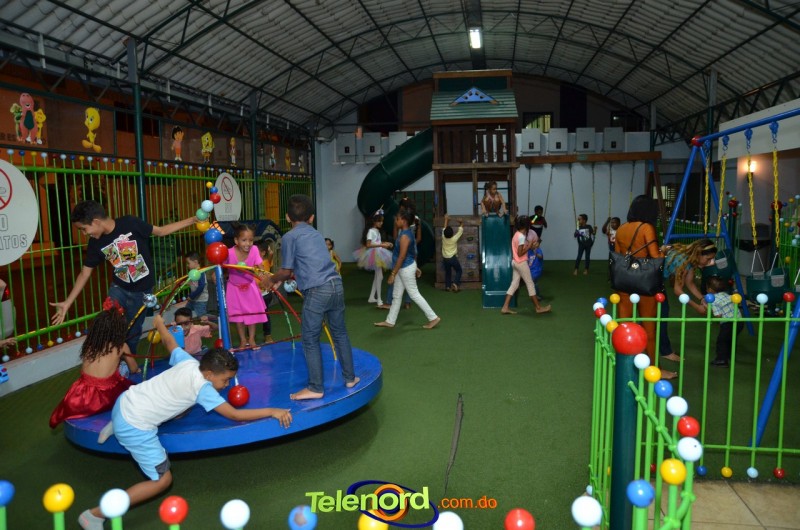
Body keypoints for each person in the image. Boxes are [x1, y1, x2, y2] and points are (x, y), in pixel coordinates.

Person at [77, 314, 291, 530]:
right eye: (225, 379)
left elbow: (170, 342)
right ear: (209, 374)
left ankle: (117, 423)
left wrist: (159, 324)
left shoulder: (190, 362)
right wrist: (272, 411)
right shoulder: (203, 388)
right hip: (135, 425)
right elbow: (234, 415)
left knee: (181, 407)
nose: (227, 384)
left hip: (125, 402)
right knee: (162, 481)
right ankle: (94, 515)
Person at [51, 200, 199, 356]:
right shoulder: (95, 243)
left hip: (142, 292)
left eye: (84, 229)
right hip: (118, 290)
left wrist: (192, 220)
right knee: (109, 327)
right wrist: (68, 302)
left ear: (96, 221)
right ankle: (111, 361)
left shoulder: (130, 223)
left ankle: (129, 363)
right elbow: (85, 273)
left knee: (133, 333)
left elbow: (161, 231)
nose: (84, 233)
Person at [262, 194, 359, 401]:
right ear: (312, 217)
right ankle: (350, 377)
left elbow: (286, 270)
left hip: (317, 291)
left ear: (287, 217)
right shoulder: (316, 234)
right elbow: (308, 264)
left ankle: (316, 387)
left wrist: (271, 279)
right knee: (339, 332)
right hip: (336, 285)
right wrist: (283, 279)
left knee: (310, 339)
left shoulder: (290, 237)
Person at [49, 298, 137, 429]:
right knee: (131, 388)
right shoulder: (121, 346)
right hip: (105, 397)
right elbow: (134, 368)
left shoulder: (90, 344)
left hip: (81, 396)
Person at [375, 208, 441, 329]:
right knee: (397, 295)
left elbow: (402, 256)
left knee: (414, 294)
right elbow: (411, 253)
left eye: (398, 219)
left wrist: (393, 273)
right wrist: (415, 267)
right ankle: (390, 321)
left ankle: (433, 317)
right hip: (404, 268)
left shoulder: (405, 236)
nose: (396, 221)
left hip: (404, 268)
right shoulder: (404, 233)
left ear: (404, 221)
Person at [225, 224, 267, 349]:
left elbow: (260, 267)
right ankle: (243, 340)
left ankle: (252, 339)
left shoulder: (254, 250)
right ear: (236, 240)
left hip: (249, 287)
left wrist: (263, 276)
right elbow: (220, 266)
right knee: (238, 316)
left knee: (252, 314)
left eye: (250, 240)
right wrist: (215, 274)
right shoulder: (229, 252)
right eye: (244, 240)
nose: (248, 243)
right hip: (234, 288)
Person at [500, 216, 551, 315]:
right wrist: (529, 246)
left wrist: (528, 246)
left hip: (515, 262)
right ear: (526, 226)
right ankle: (538, 308)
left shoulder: (516, 234)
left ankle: (505, 307)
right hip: (521, 263)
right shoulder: (521, 237)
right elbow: (520, 253)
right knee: (530, 284)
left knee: (514, 284)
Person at [354, 212, 392, 307]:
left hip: (378, 252)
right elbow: (368, 244)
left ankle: (372, 297)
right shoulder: (371, 231)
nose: (381, 223)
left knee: (378, 276)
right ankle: (379, 299)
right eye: (379, 221)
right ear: (374, 221)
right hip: (374, 254)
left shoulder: (376, 231)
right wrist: (382, 244)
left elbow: (377, 242)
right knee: (379, 276)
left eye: (382, 221)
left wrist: (385, 243)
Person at [706, 275, 743, 367]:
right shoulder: (727, 295)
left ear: (710, 290)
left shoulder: (714, 300)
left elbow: (718, 315)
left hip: (728, 323)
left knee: (722, 341)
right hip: (739, 321)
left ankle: (721, 359)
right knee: (731, 339)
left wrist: (708, 308)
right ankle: (730, 355)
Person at [257, 239, 277, 343]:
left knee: (265, 314)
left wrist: (269, 249)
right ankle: (249, 336)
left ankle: (267, 335)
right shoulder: (251, 262)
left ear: (263, 253)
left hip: (264, 294)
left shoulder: (266, 262)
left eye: (256, 251)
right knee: (251, 315)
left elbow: (271, 254)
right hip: (253, 293)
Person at [442, 214, 463, 292]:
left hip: (445, 259)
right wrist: (461, 222)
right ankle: (455, 283)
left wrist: (446, 219)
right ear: (452, 233)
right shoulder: (454, 238)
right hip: (453, 258)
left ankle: (447, 287)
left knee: (448, 272)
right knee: (459, 270)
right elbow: (460, 230)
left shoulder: (443, 237)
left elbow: (444, 228)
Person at [185, 252, 209, 318]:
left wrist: (191, 296)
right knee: (185, 313)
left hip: (200, 300)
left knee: (202, 318)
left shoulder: (200, 272)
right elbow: (194, 283)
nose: (187, 265)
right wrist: (185, 283)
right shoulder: (193, 272)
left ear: (195, 262)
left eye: (188, 263)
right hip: (193, 300)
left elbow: (201, 286)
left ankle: (212, 320)